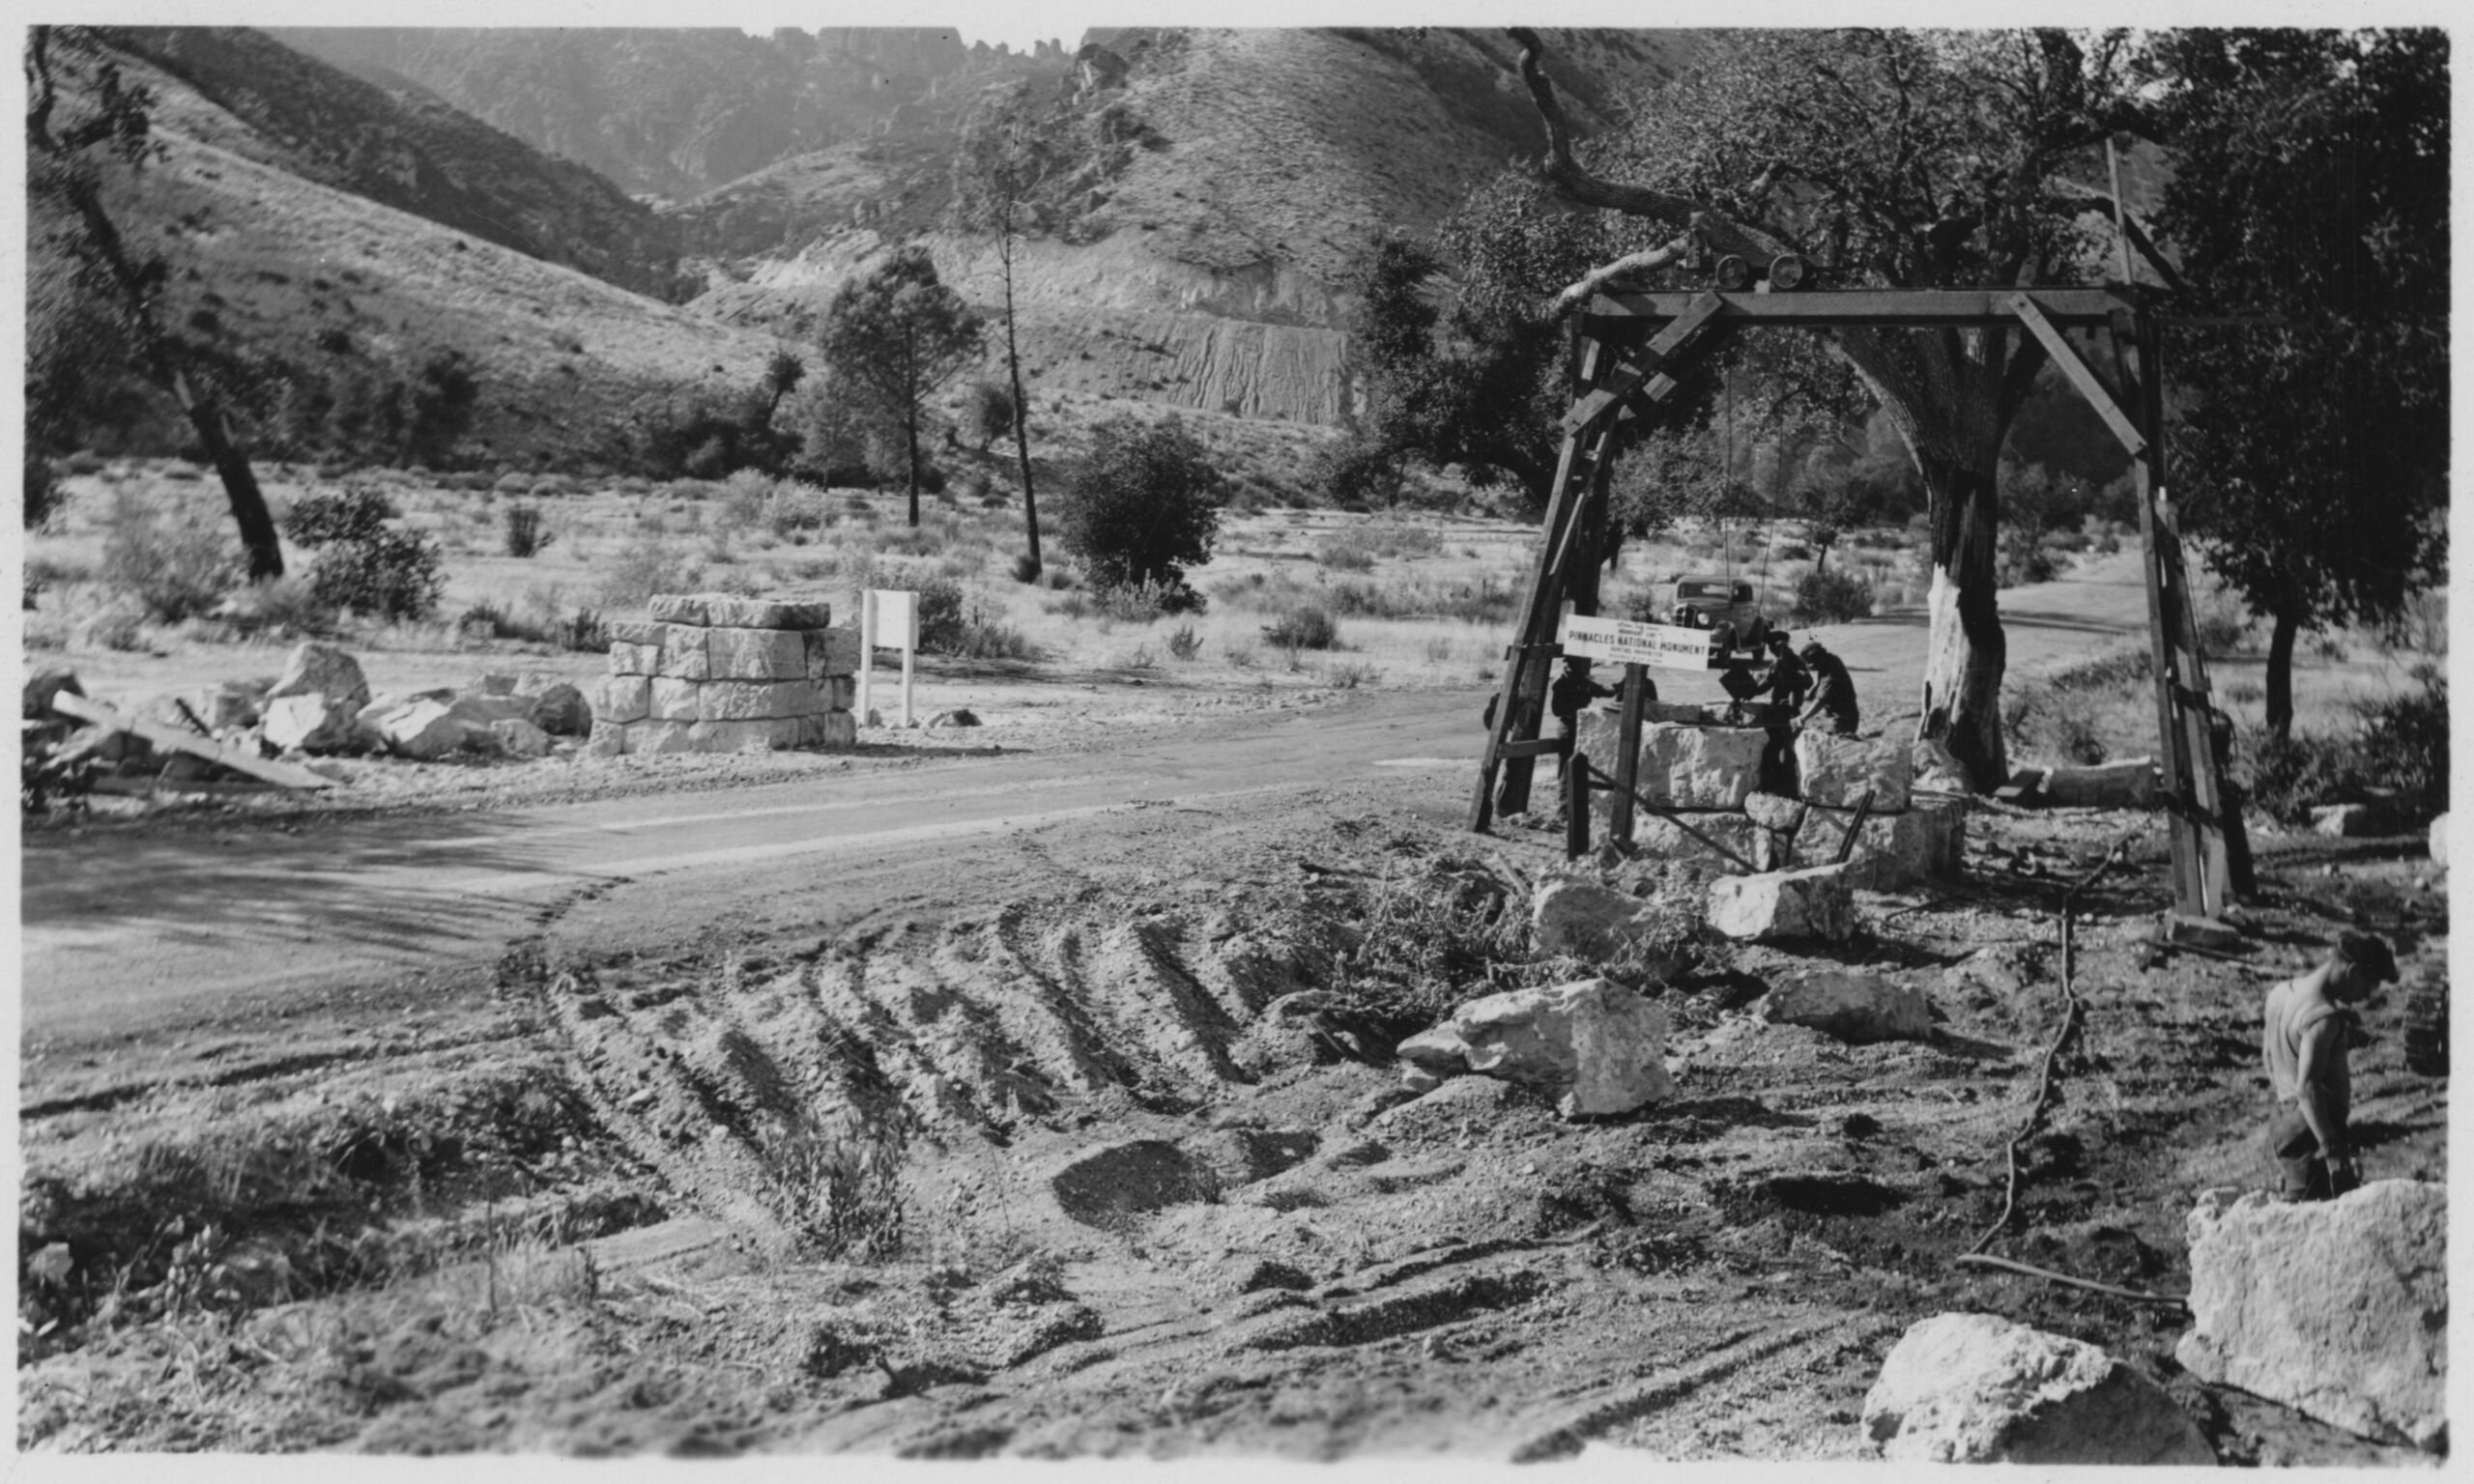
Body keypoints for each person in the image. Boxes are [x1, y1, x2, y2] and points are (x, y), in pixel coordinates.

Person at [2260, 931, 2399, 1201]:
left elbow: (2267, 1055)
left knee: (2299, 1200)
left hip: (2285, 1120)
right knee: (2312, 1213)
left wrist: (2288, 1105)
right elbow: (2307, 1087)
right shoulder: (2323, 1017)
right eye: (2369, 986)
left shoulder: (2280, 992)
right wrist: (2331, 1149)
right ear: (2353, 972)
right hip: (2314, 1133)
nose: (2365, 996)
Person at [1547, 657, 1616, 783]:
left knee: (1579, 767)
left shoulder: (1582, 681)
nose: (1588, 665)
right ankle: (1564, 794)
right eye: (1586, 662)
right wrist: (1577, 708)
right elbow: (1556, 710)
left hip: (1582, 726)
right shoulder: (1561, 682)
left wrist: (1617, 687)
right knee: (1566, 767)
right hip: (1568, 727)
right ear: (1576, 664)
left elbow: (1604, 691)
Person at [1798, 641, 1859, 736]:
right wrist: (1808, 695)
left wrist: (1802, 718)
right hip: (1836, 714)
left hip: (1843, 719)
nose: (1808, 666)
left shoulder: (1831, 671)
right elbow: (1819, 684)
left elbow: (1821, 700)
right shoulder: (1829, 660)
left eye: (1808, 663)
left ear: (1815, 661)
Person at [1755, 632, 1811, 713]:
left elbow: (1808, 683)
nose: (1770, 650)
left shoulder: (1796, 661)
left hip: (1791, 709)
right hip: (1776, 706)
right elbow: (1767, 684)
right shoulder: (1776, 664)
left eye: (1772, 647)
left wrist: (1788, 669)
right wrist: (1752, 689)